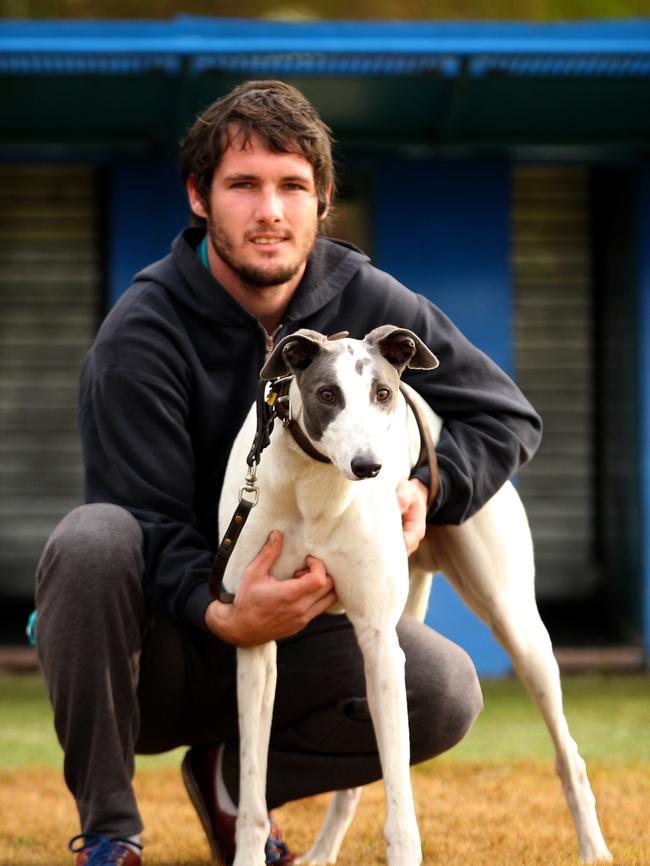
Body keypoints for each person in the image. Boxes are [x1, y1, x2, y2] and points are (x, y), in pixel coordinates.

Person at [35, 80, 542, 866]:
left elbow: (504, 415)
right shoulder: (141, 333)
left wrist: (427, 487)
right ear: (199, 197)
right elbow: (144, 523)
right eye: (243, 185)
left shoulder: (370, 299)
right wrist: (224, 612)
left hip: (303, 637)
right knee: (92, 540)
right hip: (160, 657)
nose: (270, 210)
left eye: (292, 187)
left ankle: (234, 777)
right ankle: (109, 830)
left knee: (440, 686)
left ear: (323, 199)